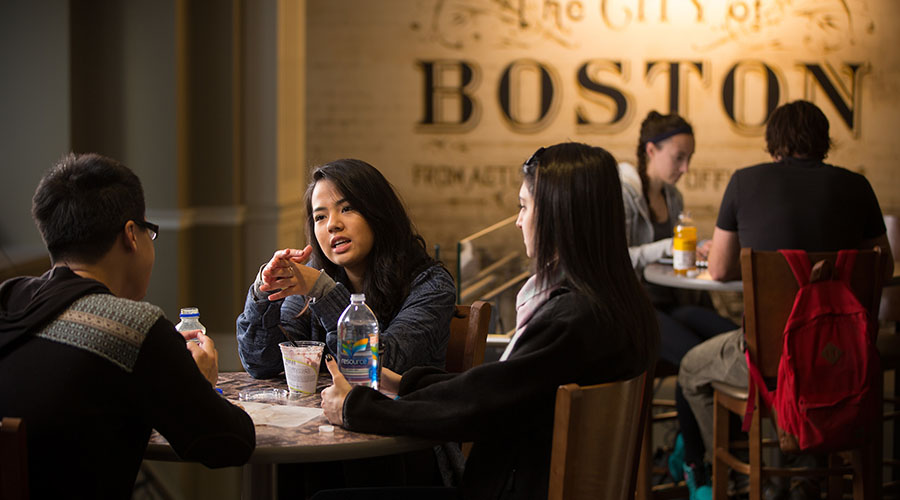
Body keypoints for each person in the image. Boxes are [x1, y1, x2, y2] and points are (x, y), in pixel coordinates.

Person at [317, 142, 660, 500]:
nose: (518, 220)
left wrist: (358, 409)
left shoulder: (573, 318)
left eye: (524, 206)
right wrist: (404, 385)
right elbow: (499, 387)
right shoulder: (619, 304)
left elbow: (479, 407)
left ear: (560, 215)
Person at [0, 153, 255, 498]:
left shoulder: (7, 297)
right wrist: (202, 384)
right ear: (131, 235)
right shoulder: (136, 329)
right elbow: (230, 444)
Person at [675, 100, 893, 497]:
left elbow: (721, 269)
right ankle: (802, 474)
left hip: (766, 358)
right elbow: (885, 265)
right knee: (808, 370)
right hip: (840, 358)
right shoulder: (857, 186)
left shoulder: (744, 182)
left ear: (774, 141)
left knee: (691, 368)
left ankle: (743, 478)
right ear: (824, 142)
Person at [236, 159, 456, 379]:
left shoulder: (432, 285)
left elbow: (384, 368)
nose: (333, 224)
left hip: (397, 412)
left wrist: (326, 294)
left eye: (347, 208)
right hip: (323, 412)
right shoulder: (315, 278)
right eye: (320, 217)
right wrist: (264, 290)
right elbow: (263, 364)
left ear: (379, 214)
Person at [619, 110, 737, 368]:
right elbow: (617, 258)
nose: (685, 168)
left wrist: (700, 249)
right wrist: (670, 246)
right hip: (634, 310)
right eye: (678, 158)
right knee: (701, 358)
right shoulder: (624, 193)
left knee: (734, 340)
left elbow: (675, 253)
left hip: (671, 301)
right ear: (651, 150)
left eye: (689, 158)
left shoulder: (673, 198)